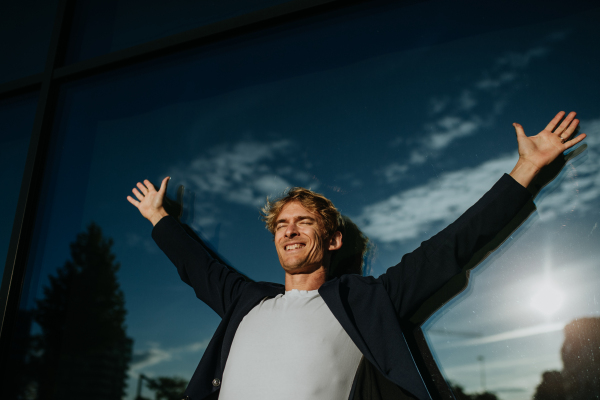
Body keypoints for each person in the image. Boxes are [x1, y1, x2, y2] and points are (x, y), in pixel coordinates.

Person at [127, 111, 586, 400]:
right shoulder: (246, 301)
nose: (289, 230)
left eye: (303, 222)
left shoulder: (365, 302)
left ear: (333, 240)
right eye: (281, 225)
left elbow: (450, 249)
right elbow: (197, 267)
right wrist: (157, 217)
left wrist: (525, 169)